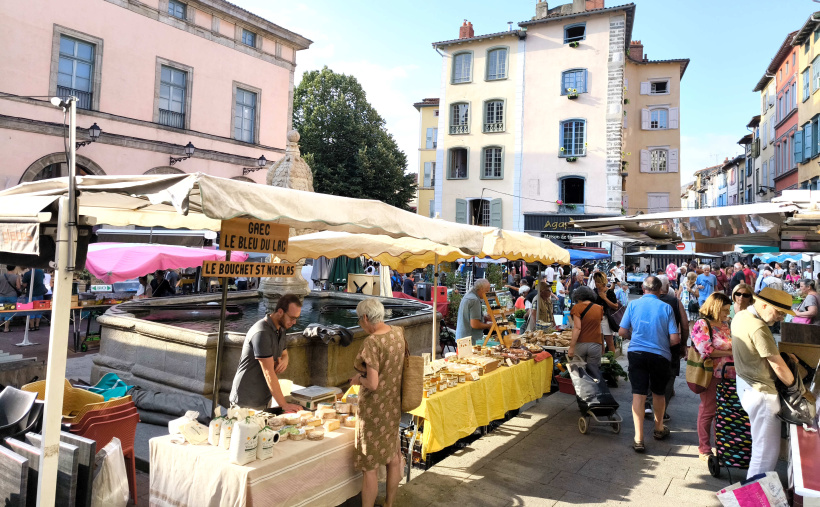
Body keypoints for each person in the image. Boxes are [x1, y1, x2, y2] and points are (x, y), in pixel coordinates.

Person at [731, 287, 796, 478]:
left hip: (747, 386)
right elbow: (778, 367)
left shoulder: (740, 316)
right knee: (766, 454)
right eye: (779, 312)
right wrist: (795, 388)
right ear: (764, 304)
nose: (781, 318)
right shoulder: (758, 327)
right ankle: (752, 498)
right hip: (762, 394)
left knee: (762, 448)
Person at [350, 299, 405, 507]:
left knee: (370, 467)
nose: (360, 324)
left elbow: (372, 384)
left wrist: (358, 380)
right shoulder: (397, 332)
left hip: (373, 411)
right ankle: (389, 504)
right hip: (392, 405)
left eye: (359, 320)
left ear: (365, 318)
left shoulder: (372, 342)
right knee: (392, 457)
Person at [618, 276, 680, 453]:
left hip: (636, 353)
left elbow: (622, 331)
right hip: (660, 355)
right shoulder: (666, 307)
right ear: (661, 291)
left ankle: (638, 438)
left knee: (638, 394)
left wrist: (636, 337)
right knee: (658, 393)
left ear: (643, 289)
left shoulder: (633, 305)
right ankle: (659, 429)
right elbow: (675, 339)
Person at [229, 294, 303, 412]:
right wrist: (284, 405)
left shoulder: (281, 329)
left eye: (296, 318)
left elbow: (284, 353)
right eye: (292, 318)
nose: (294, 322)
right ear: (280, 312)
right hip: (246, 401)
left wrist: (285, 360)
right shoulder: (262, 332)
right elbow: (268, 372)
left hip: (263, 399)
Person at [691, 293, 733, 462]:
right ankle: (704, 448)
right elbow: (706, 351)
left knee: (723, 412)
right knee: (708, 410)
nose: (727, 313)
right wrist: (732, 352)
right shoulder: (702, 324)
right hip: (711, 374)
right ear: (715, 308)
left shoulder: (726, 324)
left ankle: (721, 446)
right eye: (724, 310)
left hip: (730, 374)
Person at [648, 275, 689, 422]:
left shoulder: (646, 301)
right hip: (670, 346)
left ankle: (647, 404)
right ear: (665, 287)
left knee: (649, 373)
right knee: (669, 377)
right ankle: (661, 412)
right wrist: (684, 344)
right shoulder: (675, 302)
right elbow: (684, 326)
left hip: (649, 345)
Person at [568, 286, 605, 379]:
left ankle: (582, 393)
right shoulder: (599, 308)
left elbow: (577, 328)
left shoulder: (576, 308)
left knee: (579, 372)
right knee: (594, 372)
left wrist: (571, 347)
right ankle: (594, 392)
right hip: (596, 344)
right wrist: (603, 346)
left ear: (578, 296)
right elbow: (600, 328)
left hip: (581, 344)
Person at [455, 279, 493, 344]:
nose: (487, 292)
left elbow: (468, 315)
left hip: (462, 338)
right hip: (469, 340)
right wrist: (489, 325)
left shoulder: (468, 295)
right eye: (487, 290)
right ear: (481, 289)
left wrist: (483, 317)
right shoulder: (474, 300)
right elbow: (474, 324)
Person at [592, 271, 618, 353]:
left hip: (606, 318)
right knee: (600, 342)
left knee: (609, 341)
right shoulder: (594, 292)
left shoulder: (609, 292)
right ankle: (602, 360)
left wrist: (605, 298)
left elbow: (616, 306)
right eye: (595, 281)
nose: (596, 284)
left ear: (603, 282)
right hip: (596, 318)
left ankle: (612, 362)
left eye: (598, 282)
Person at [0, 266, 20, 332]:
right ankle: (6, 328)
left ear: (6, 268)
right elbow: (18, 287)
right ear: (14, 268)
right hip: (12, 296)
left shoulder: (1, 276)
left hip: (1, 296)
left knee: (1, 311)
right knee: (9, 311)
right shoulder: (16, 277)